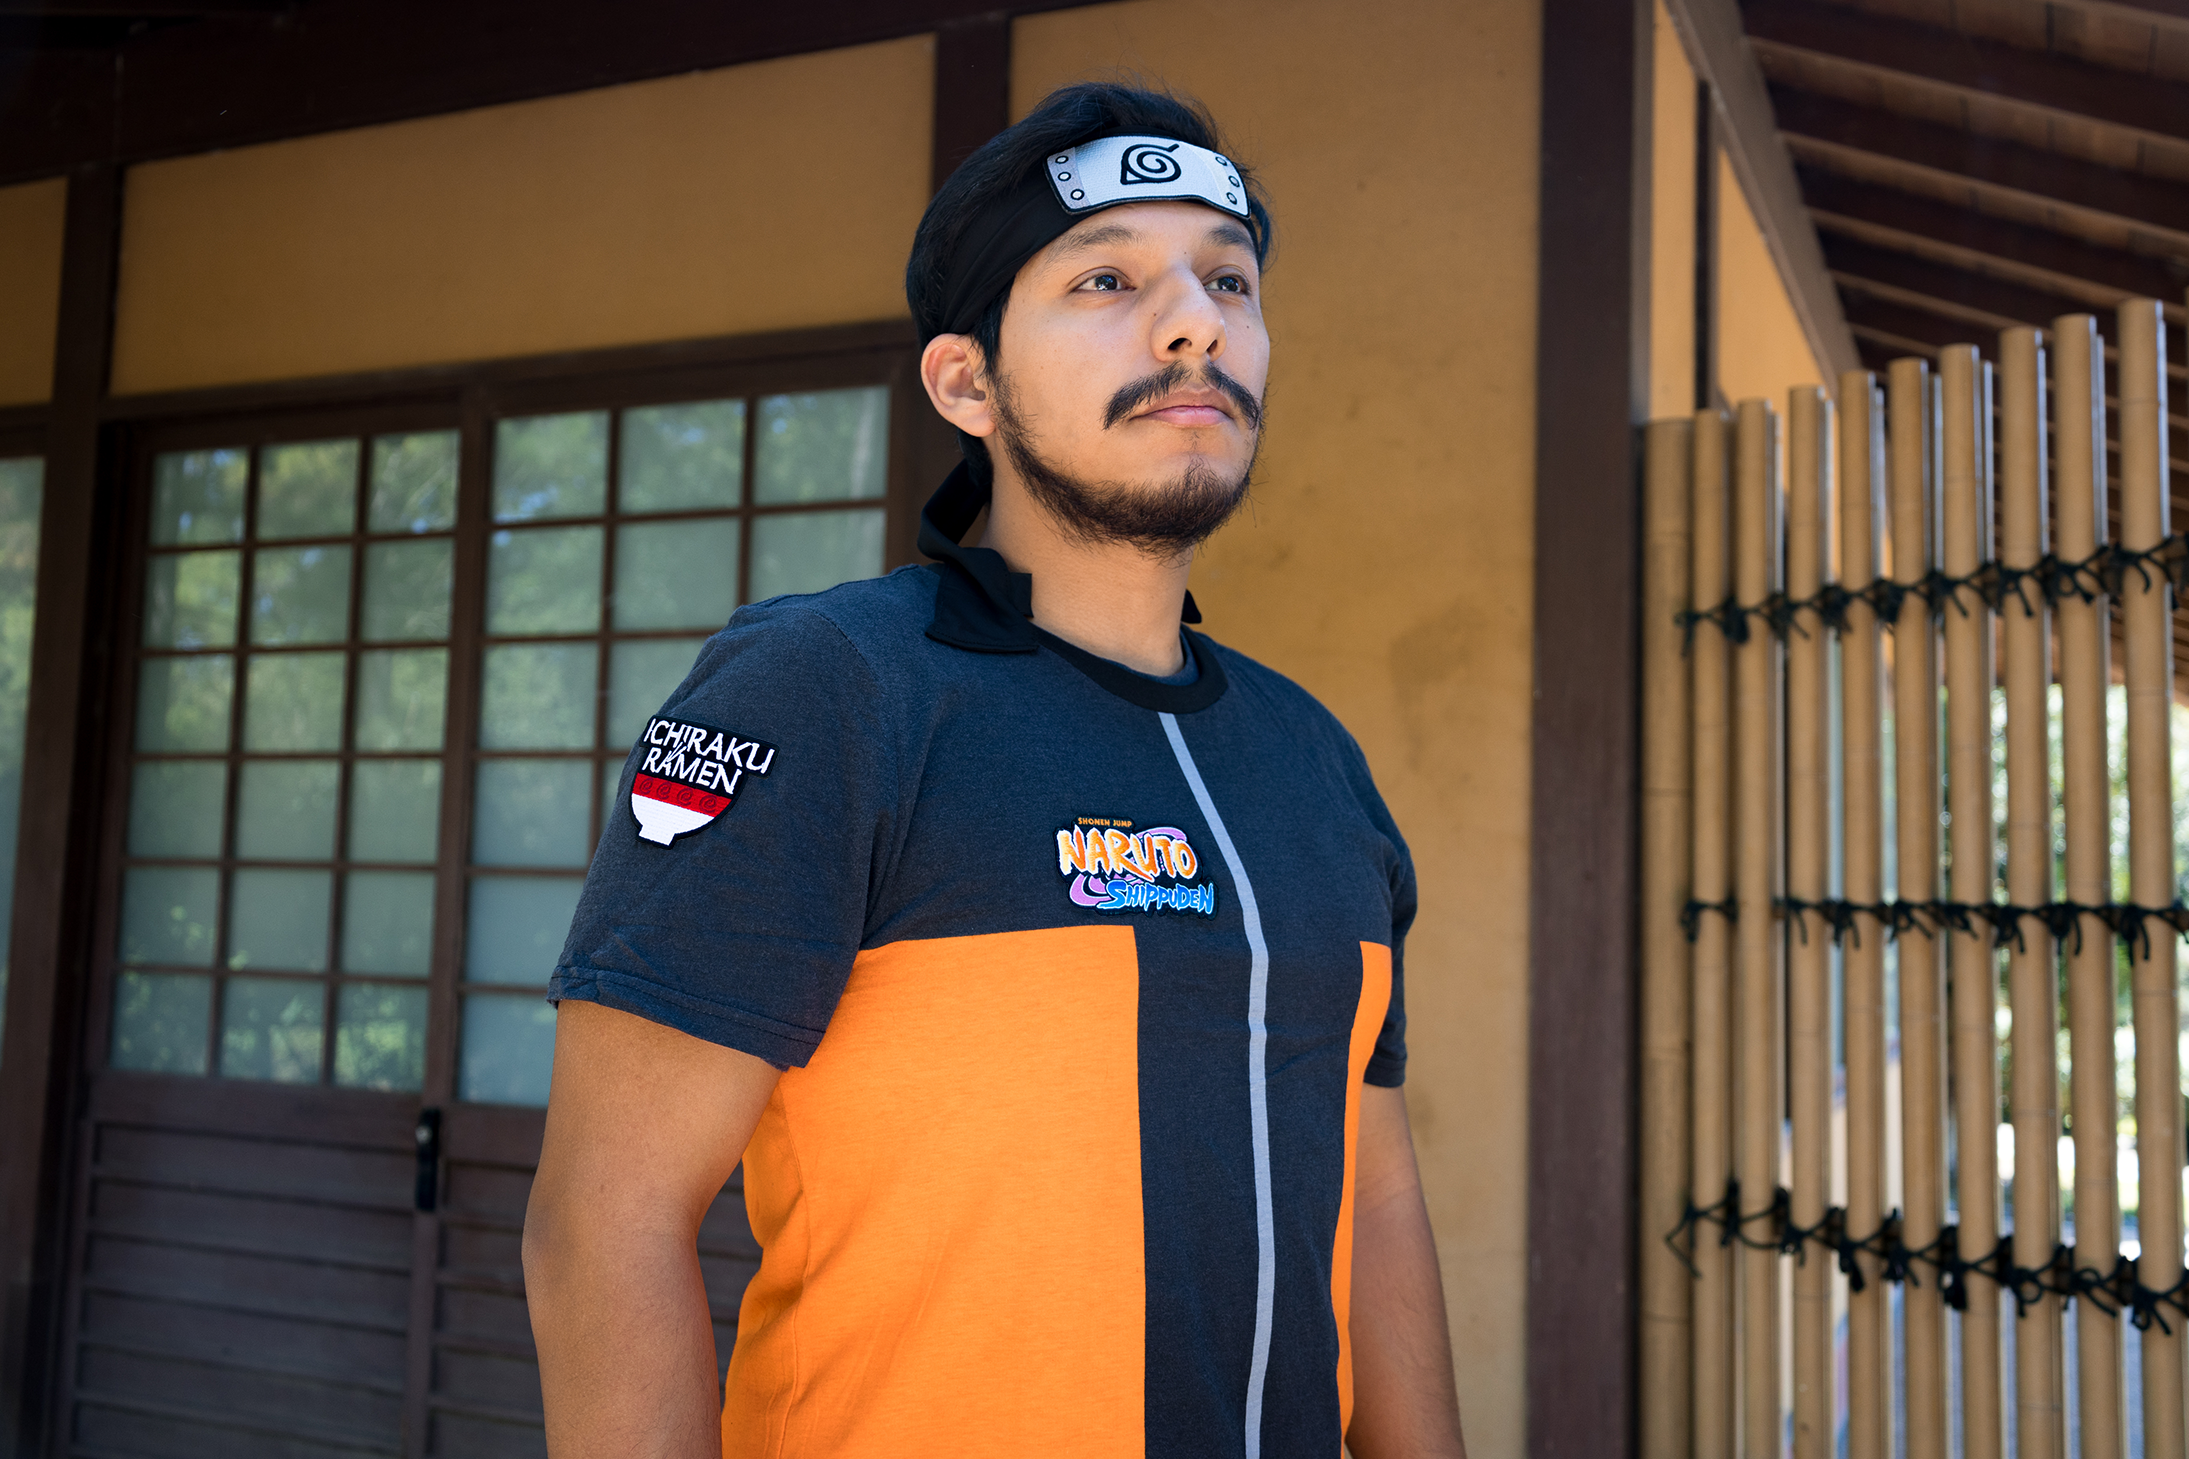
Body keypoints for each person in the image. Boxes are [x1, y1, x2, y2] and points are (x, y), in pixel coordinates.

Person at [523, 81, 1467, 1459]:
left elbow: (1375, 1206)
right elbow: (602, 1221)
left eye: (1228, 277)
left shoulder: (1315, 761)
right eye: (1107, 277)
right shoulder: (832, 690)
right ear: (967, 381)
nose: (1194, 319)